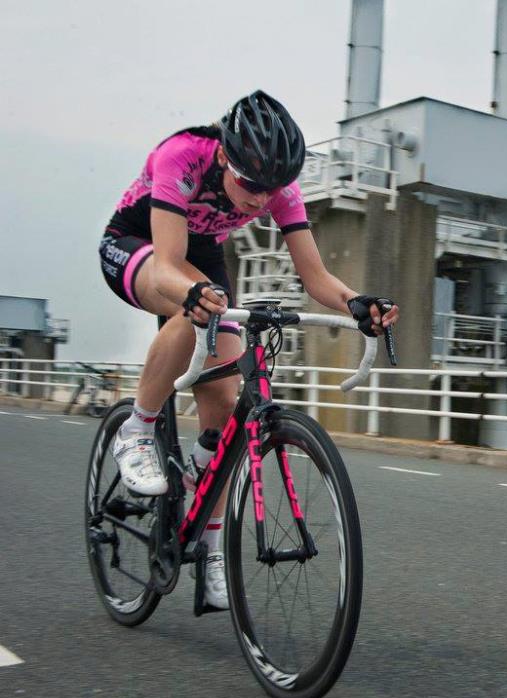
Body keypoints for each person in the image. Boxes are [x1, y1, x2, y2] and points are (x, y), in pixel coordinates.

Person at [98, 90, 398, 608]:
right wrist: (192, 297)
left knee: (224, 406)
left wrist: (356, 303)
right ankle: (137, 430)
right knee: (191, 307)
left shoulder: (277, 189)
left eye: (272, 189)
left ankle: (209, 544)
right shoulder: (183, 155)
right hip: (138, 246)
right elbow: (170, 268)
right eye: (251, 185)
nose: (261, 200)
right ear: (223, 156)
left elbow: (315, 275)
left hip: (202, 256)